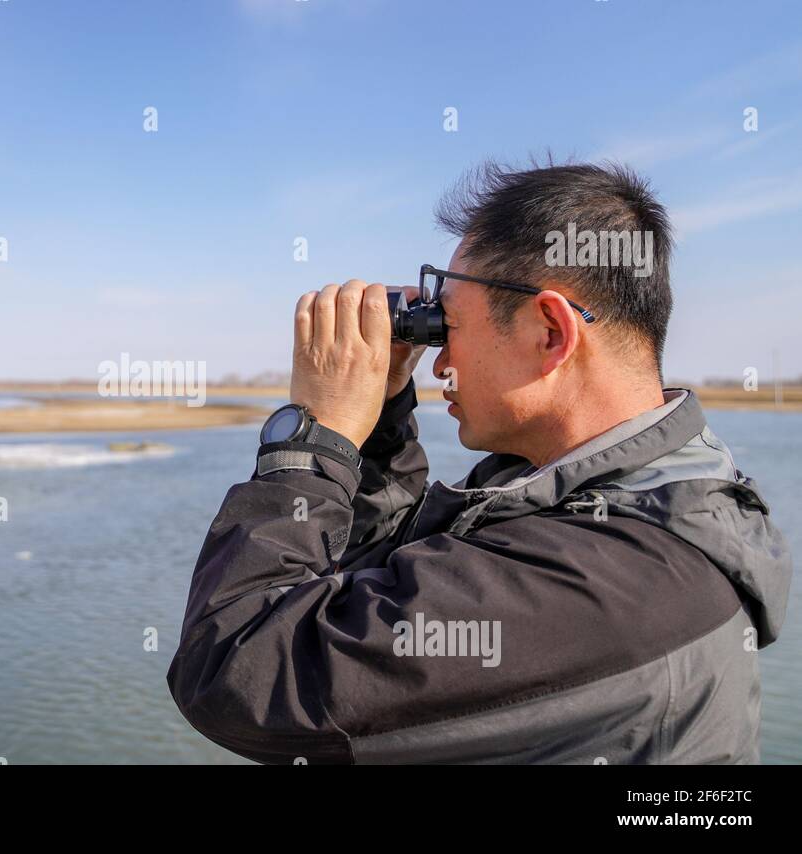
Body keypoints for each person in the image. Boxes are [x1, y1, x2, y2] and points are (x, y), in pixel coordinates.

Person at [166, 162, 792, 764]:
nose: (439, 364)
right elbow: (386, 580)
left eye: (451, 327)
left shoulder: (605, 579)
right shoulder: (615, 498)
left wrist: (311, 439)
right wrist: (381, 419)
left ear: (550, 331)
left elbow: (232, 674)